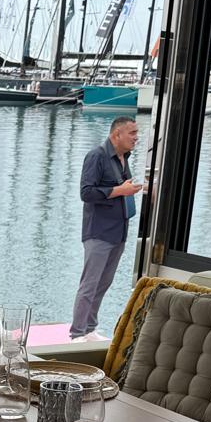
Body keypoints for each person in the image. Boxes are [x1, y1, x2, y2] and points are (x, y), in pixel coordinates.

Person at [71, 115, 143, 342]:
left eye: (136, 133)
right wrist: (121, 191)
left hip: (118, 231)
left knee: (104, 283)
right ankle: (77, 333)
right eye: (132, 133)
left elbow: (122, 188)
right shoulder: (97, 156)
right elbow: (86, 193)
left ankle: (90, 328)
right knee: (89, 284)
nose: (136, 137)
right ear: (116, 134)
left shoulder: (124, 158)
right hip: (99, 231)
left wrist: (135, 189)